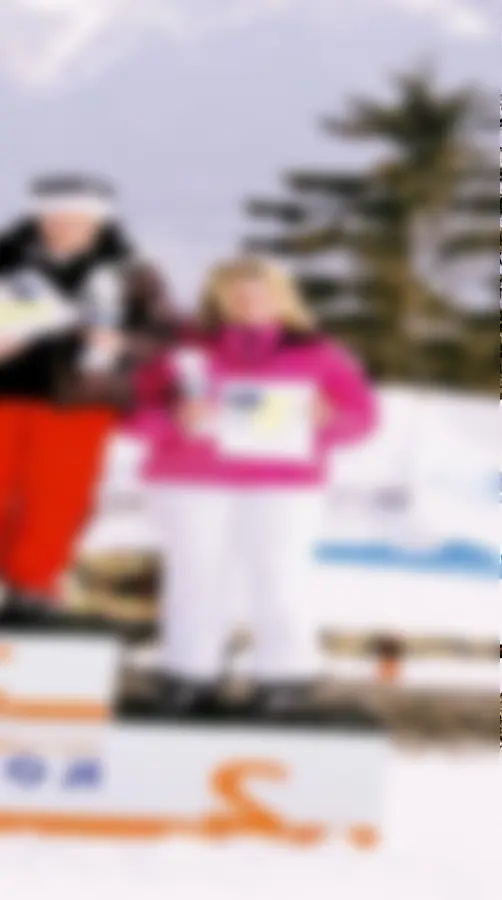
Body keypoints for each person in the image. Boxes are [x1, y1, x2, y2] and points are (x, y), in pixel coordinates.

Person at [127, 257, 378, 716]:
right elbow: (133, 413)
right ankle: (187, 673)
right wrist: (174, 419)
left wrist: (326, 422)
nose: (248, 302)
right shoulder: (181, 350)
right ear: (218, 297)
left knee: (281, 575)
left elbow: (361, 418)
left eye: (259, 292)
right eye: (236, 292)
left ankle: (284, 675)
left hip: (281, 485)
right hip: (192, 484)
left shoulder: (319, 353)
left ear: (282, 297)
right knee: (194, 576)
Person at [0, 174, 175, 622]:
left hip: (80, 400)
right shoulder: (6, 255)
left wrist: (121, 344)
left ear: (99, 219)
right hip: (6, 390)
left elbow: (164, 334)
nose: (63, 225)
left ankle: (34, 585)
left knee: (59, 497)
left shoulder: (133, 269)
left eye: (76, 217)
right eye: (54, 216)